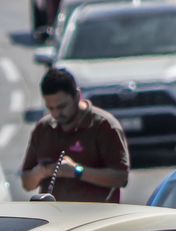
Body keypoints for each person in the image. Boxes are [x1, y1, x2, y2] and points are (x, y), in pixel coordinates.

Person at [21, 66, 131, 203]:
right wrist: (42, 171)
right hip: (55, 218)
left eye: (62, 107)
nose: (56, 114)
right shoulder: (43, 129)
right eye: (50, 108)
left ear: (77, 96)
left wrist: (76, 171)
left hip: (95, 218)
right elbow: (26, 183)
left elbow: (120, 177)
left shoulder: (104, 126)